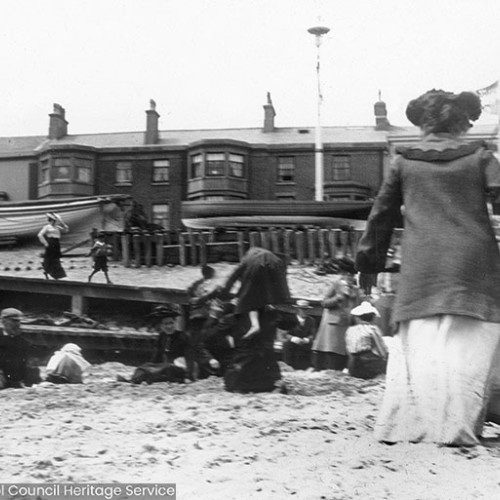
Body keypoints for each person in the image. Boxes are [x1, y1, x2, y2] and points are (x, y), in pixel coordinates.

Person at [356, 89, 500, 446]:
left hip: (423, 265)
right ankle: (457, 427)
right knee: (468, 347)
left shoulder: (404, 162)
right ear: (460, 124)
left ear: (423, 124)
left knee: (420, 344)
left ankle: (410, 426)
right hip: (474, 263)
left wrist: (369, 264)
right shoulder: (481, 157)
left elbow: (381, 216)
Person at [221, 247, 291, 393]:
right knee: (265, 347)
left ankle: (240, 383)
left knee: (248, 348)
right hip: (268, 305)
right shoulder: (273, 260)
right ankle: (274, 381)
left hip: (252, 306)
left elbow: (233, 277)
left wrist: (225, 292)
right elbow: (281, 285)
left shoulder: (248, 260)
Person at [119, 305, 192, 384]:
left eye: (171, 323)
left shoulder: (183, 336)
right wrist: (151, 366)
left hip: (178, 367)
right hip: (163, 366)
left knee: (167, 368)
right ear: (161, 326)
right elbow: (156, 356)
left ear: (175, 323)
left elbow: (189, 356)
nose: (169, 326)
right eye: (166, 324)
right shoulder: (161, 337)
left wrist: (188, 376)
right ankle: (132, 380)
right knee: (145, 366)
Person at [311, 258, 357, 371]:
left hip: (346, 325)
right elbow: (324, 302)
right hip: (333, 326)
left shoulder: (355, 289)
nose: (351, 278)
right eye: (349, 275)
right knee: (332, 352)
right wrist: (337, 298)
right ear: (344, 274)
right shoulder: (335, 284)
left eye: (352, 275)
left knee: (342, 354)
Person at [345, 301, 388, 379]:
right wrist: (384, 358)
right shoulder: (372, 329)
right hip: (369, 363)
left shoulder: (350, 330)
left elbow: (349, 349)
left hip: (353, 364)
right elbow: (381, 348)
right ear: (372, 317)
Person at [0, 308, 40, 388]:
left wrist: (33, 381)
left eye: (19, 321)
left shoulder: (23, 342)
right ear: (3, 321)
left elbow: (30, 365)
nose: (17, 324)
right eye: (14, 321)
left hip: (17, 383)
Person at [282, 299, 316, 370]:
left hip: (304, 343)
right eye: (302, 309)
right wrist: (293, 338)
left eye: (306, 310)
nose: (304, 312)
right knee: (286, 344)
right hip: (293, 343)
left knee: (313, 345)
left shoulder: (311, 320)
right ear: (297, 309)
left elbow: (312, 334)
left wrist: (307, 339)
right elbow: (285, 333)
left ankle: (310, 367)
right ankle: (288, 365)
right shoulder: (290, 319)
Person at [38, 212, 69, 280]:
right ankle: (46, 271)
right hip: (50, 242)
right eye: (52, 220)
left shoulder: (57, 227)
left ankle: (57, 275)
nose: (53, 222)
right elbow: (40, 235)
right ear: (50, 220)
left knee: (56, 259)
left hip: (56, 243)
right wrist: (45, 243)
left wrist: (62, 222)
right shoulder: (47, 227)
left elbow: (66, 230)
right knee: (49, 258)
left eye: (54, 220)